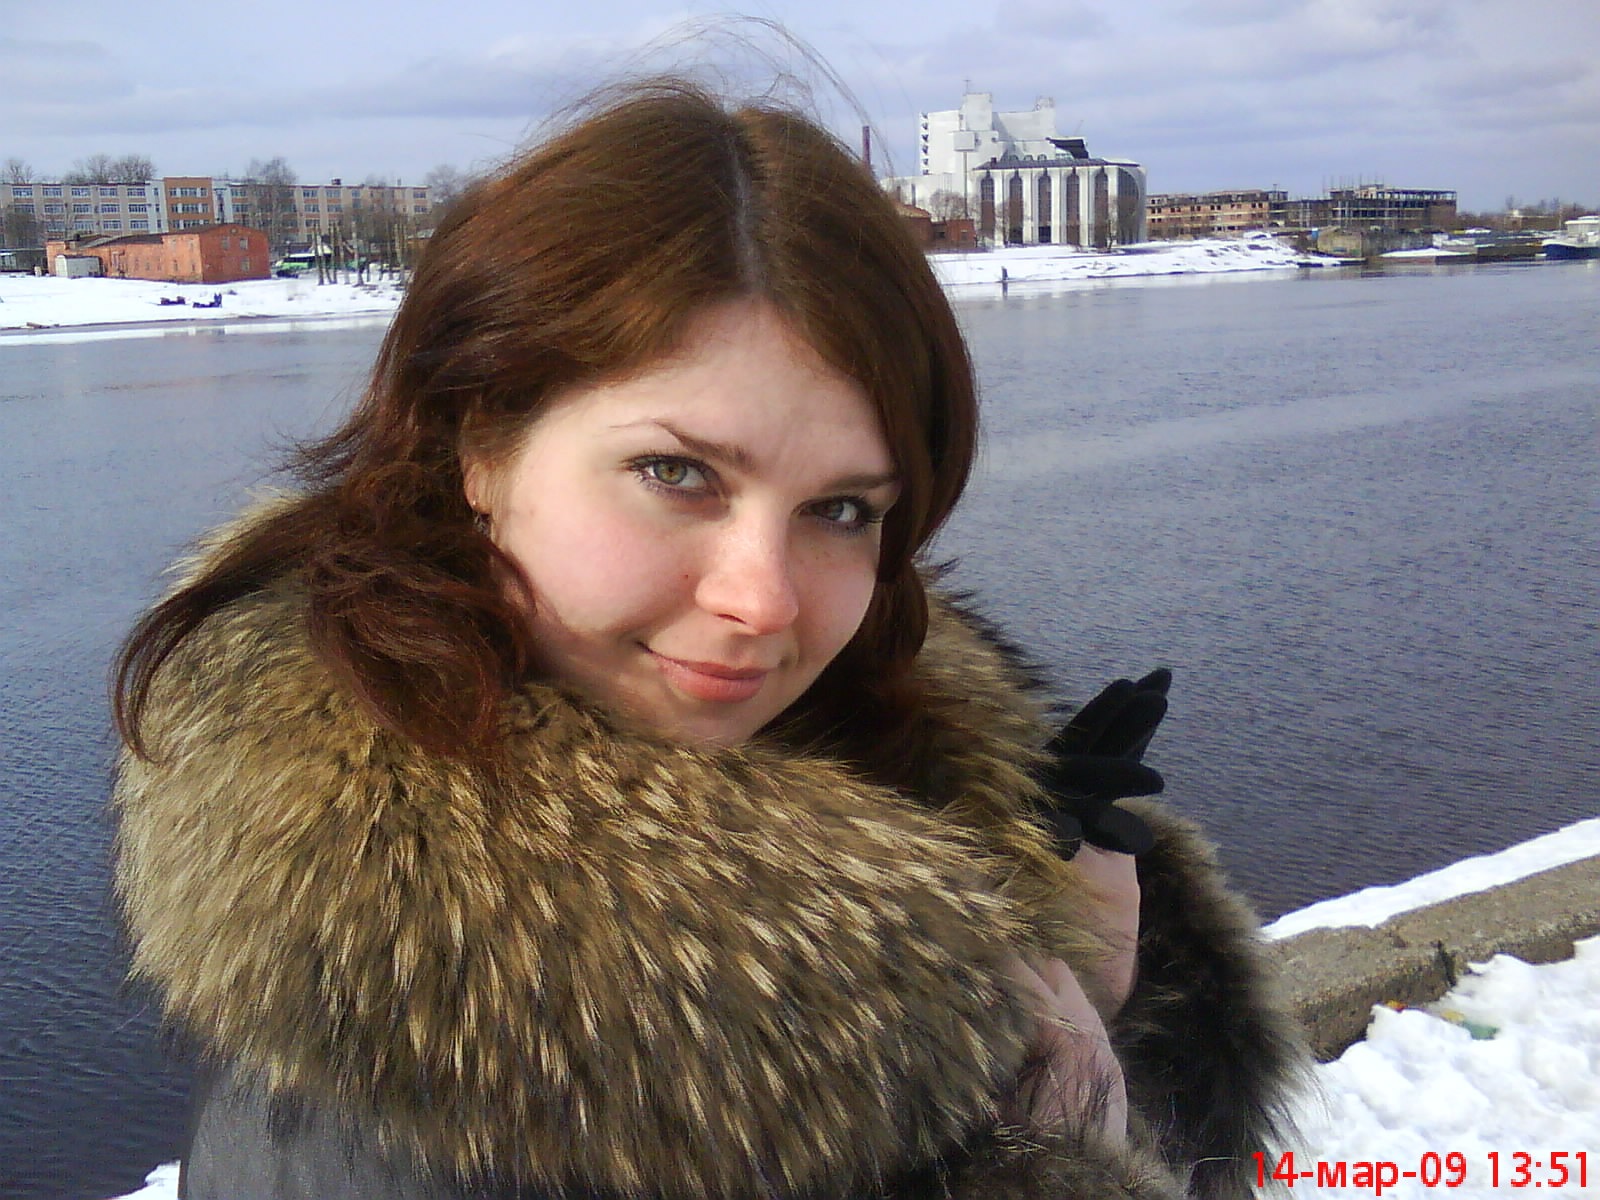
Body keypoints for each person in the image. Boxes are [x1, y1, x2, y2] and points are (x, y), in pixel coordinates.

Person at [113, 80, 1306, 1200]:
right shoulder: (440, 1070)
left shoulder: (862, 770)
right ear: (480, 444)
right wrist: (1036, 1154)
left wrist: (1105, 993)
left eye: (842, 509)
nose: (764, 602)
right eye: (675, 473)